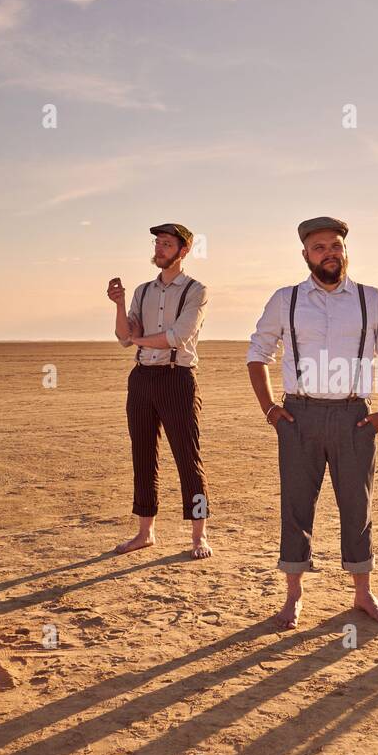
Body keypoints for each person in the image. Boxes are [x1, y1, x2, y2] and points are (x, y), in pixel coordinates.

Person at [246, 216, 378, 629]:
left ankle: (362, 592)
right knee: (297, 507)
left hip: (355, 417)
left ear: (345, 251)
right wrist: (270, 409)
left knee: (358, 505)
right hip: (299, 415)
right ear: (305, 255)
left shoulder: (370, 298)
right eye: (320, 248)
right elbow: (257, 352)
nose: (330, 254)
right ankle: (293, 597)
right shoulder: (287, 299)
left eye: (336, 246)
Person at [106, 222, 212, 558]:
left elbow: (178, 336)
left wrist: (136, 339)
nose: (159, 248)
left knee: (187, 458)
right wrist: (120, 304)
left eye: (166, 244)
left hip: (176, 377)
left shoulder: (196, 290)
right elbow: (124, 337)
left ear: (183, 251)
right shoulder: (143, 291)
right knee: (142, 455)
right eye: (157, 243)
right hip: (141, 379)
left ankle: (199, 535)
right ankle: (145, 532)